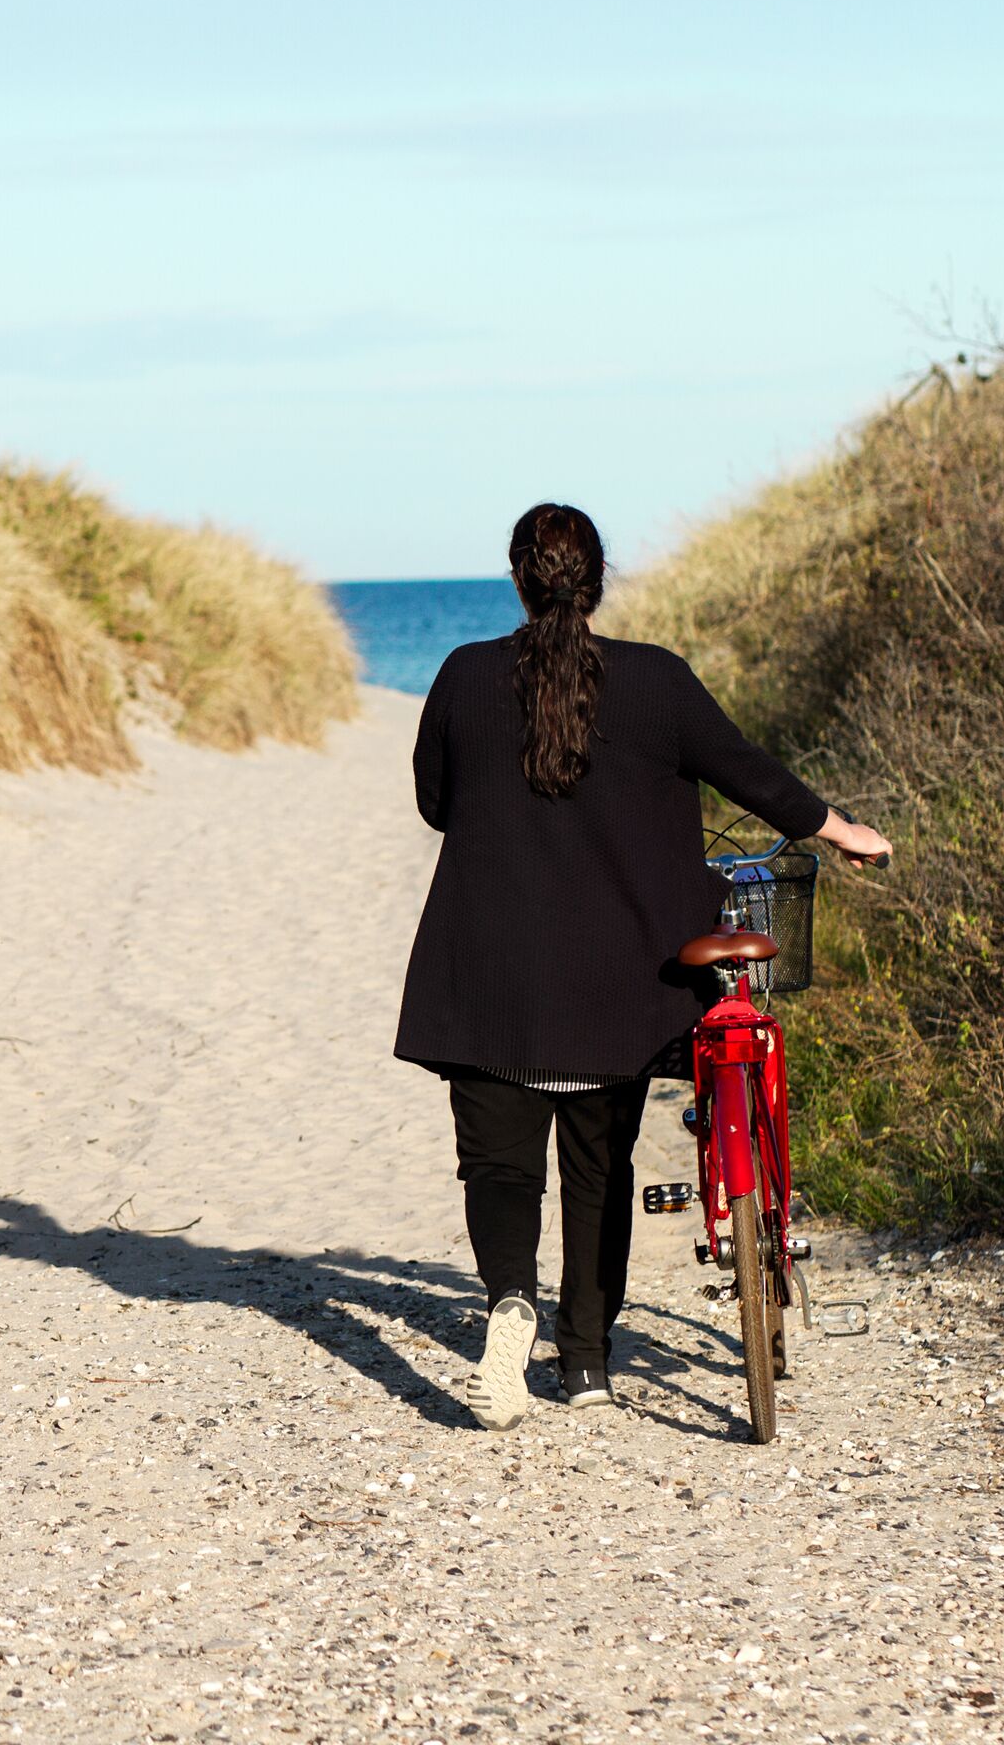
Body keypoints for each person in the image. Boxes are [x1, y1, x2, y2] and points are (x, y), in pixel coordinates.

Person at [393, 502, 890, 1430]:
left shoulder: (463, 676)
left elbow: (434, 802)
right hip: (616, 986)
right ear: (598, 580)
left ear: (516, 577)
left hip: (492, 975)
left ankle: (509, 1303)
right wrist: (837, 828)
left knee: (499, 1171)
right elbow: (748, 771)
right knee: (599, 1171)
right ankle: (585, 1364)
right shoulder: (656, 683)